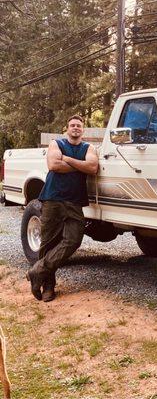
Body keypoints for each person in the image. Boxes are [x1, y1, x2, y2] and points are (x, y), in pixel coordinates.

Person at [26, 115, 98, 302]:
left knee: (73, 240)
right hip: (53, 198)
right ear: (66, 128)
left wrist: (67, 160)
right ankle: (48, 287)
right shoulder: (56, 143)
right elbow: (53, 165)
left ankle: (37, 271)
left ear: (83, 130)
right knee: (48, 243)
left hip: (75, 201)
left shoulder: (88, 147)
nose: (75, 128)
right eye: (72, 125)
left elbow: (92, 167)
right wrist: (79, 165)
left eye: (79, 126)